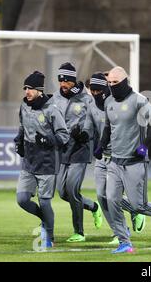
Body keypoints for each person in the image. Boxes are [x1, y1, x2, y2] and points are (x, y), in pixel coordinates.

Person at [96, 66, 151, 254]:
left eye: (115, 82)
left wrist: (145, 145)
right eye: (109, 83)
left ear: (124, 81)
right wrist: (101, 145)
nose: (112, 86)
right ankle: (125, 242)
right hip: (114, 161)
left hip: (135, 162)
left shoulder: (139, 101)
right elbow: (108, 127)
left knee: (139, 205)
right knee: (111, 199)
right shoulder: (108, 102)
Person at [83, 72, 146, 245]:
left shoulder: (123, 101)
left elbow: (141, 124)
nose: (95, 94)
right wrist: (82, 135)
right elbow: (90, 129)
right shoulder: (92, 106)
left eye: (98, 90)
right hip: (103, 156)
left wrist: (142, 145)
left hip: (122, 156)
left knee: (115, 197)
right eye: (92, 91)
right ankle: (120, 231)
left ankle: (136, 211)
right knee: (101, 195)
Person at [14, 71, 69, 248]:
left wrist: (48, 140)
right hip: (29, 162)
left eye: (30, 88)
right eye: (25, 88)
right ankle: (44, 219)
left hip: (47, 162)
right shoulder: (24, 106)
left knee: (44, 201)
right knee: (22, 199)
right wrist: (19, 141)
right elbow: (22, 127)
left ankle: (49, 237)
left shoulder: (51, 109)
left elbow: (64, 136)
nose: (26, 91)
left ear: (39, 90)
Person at [50, 62, 103, 243]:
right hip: (62, 151)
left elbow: (96, 123)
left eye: (66, 81)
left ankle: (79, 232)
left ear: (73, 81)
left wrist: (85, 135)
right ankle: (93, 207)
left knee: (72, 189)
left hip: (80, 150)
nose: (62, 84)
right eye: (60, 80)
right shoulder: (55, 98)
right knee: (63, 193)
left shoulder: (87, 99)